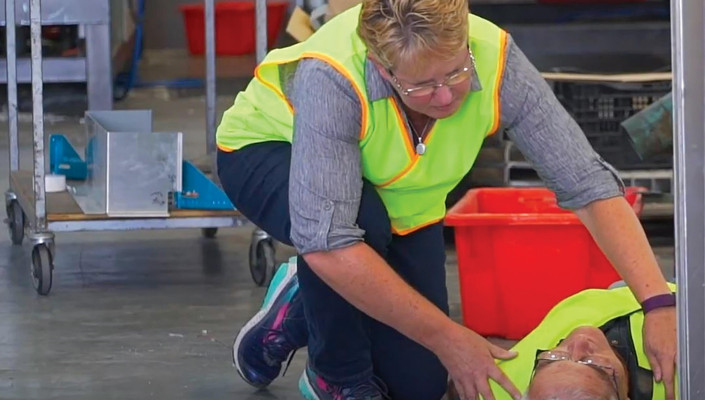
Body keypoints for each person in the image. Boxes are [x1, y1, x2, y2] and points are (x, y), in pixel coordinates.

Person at [215, 1, 676, 399]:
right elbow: (329, 242)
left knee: (417, 386)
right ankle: (334, 376)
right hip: (268, 152)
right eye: (422, 85)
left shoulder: (496, 57)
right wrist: (451, 337)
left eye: (456, 72)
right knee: (355, 224)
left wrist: (658, 304)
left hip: (399, 199)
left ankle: (301, 301)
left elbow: (588, 185)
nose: (446, 95)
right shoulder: (333, 76)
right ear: (383, 68)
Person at [474, 284, 677, 400]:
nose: (579, 340)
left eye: (553, 359)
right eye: (598, 367)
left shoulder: (499, 386)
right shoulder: (684, 376)